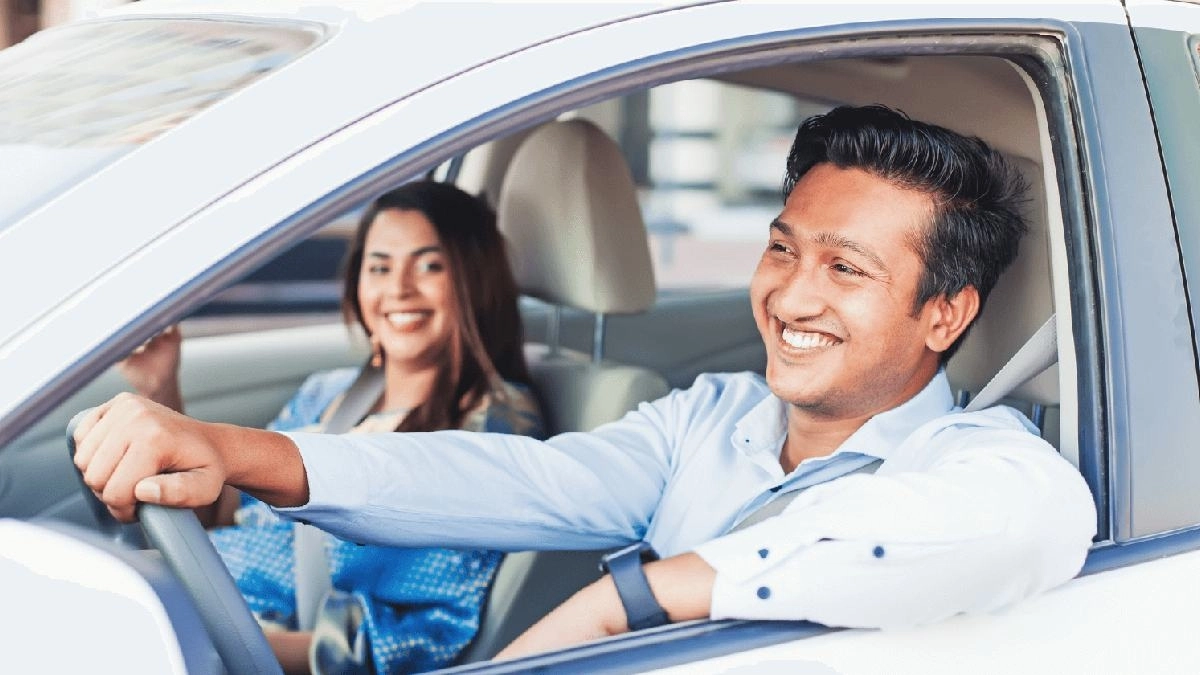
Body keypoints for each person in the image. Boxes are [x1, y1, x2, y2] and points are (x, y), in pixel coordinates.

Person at [76, 105, 1096, 661]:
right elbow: (514, 481)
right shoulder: (711, 417)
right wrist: (237, 453)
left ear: (944, 314)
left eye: (847, 269)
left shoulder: (975, 464)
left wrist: (635, 599)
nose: (791, 294)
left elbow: (1034, 522)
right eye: (783, 249)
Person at [116, 180, 545, 673]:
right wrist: (160, 385)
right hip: (178, 603)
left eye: (430, 266)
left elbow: (416, 636)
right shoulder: (329, 393)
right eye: (380, 267)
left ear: (475, 279)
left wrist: (217, 650)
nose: (399, 289)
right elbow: (223, 510)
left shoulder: (490, 427)